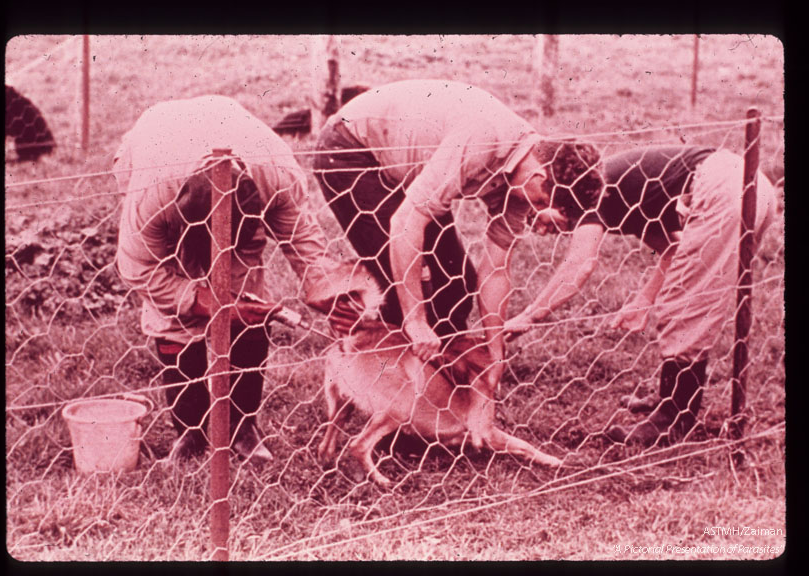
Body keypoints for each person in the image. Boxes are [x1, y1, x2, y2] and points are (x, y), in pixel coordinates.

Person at [313, 79, 604, 445]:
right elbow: (405, 224)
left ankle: (435, 398)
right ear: (541, 176)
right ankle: (390, 403)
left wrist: (496, 351)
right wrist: (417, 321)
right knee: (401, 282)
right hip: (352, 149)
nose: (534, 218)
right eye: (542, 207)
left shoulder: (522, 181)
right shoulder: (483, 143)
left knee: (457, 280)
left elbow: (496, 270)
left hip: (409, 170)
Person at [114, 95, 353, 461]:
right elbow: (138, 269)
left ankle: (241, 427)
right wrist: (211, 303)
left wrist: (331, 295)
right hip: (159, 141)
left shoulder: (277, 174)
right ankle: (190, 432)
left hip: (237, 140)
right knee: (174, 313)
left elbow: (306, 246)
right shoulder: (150, 193)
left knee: (249, 304)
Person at [504, 146, 778, 447]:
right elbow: (672, 252)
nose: (542, 226)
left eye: (539, 209)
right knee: (692, 293)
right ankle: (672, 400)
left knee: (686, 304)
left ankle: (672, 419)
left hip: (724, 190)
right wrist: (643, 301)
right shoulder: (625, 196)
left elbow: (580, 265)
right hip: (753, 185)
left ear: (557, 196)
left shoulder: (586, 192)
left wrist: (529, 316)